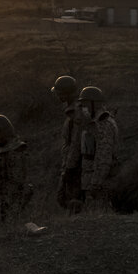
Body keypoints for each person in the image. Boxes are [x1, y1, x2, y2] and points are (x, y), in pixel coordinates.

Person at [78, 87, 119, 211]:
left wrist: (94, 185)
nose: (83, 109)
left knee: (99, 214)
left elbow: (103, 158)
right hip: (91, 180)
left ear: (93, 104)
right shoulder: (94, 123)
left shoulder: (104, 125)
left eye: (85, 105)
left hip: (100, 184)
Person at [51, 75, 87, 212]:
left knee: (71, 200)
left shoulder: (76, 112)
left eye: (59, 93)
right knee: (64, 198)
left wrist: (69, 167)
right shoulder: (73, 109)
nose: (58, 96)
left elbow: (75, 142)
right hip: (73, 162)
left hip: (75, 165)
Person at [0, 114, 32, 223]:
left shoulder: (15, 150)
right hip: (4, 199)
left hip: (14, 200)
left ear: (4, 131)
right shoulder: (2, 148)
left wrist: (7, 204)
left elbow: (16, 182)